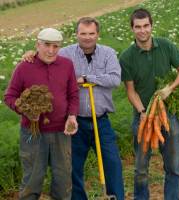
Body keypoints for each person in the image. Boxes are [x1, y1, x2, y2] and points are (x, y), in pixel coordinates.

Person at [22, 17, 124, 200]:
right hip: (73, 122)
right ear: (76, 34)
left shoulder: (108, 53)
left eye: (91, 33)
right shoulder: (65, 54)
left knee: (112, 163)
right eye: (83, 33)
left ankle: (115, 197)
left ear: (97, 34)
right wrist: (31, 53)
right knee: (72, 168)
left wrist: (86, 78)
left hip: (101, 120)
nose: (87, 37)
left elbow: (115, 79)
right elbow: (46, 56)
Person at [119, 8, 179, 200]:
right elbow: (130, 90)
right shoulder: (126, 57)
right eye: (138, 27)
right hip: (143, 116)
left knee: (173, 166)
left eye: (146, 26)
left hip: (168, 114)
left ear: (151, 26)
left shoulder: (166, 46)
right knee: (141, 168)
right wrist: (143, 111)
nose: (143, 30)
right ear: (132, 29)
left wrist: (169, 88)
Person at [4, 28, 79, 200]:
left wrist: (72, 116)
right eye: (46, 45)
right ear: (37, 44)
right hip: (33, 132)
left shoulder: (66, 65)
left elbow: (73, 94)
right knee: (32, 179)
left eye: (56, 46)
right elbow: (9, 96)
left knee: (63, 179)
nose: (51, 50)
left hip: (62, 131)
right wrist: (25, 110)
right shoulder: (24, 67)